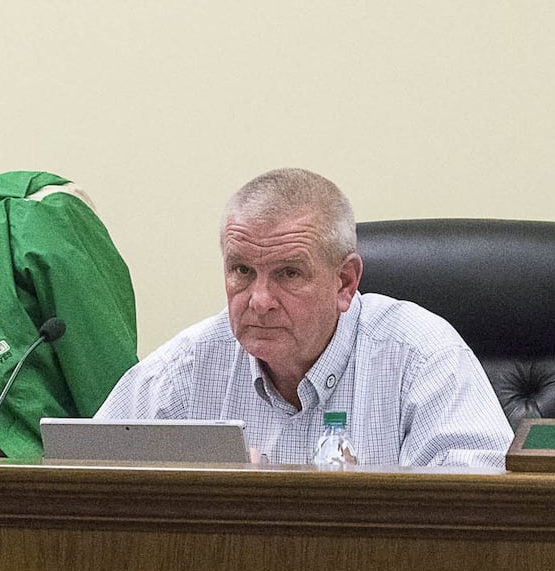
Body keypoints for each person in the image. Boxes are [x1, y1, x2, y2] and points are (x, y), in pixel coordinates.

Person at [96, 168, 513, 467]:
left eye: (288, 274)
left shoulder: (422, 358)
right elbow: (85, 480)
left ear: (345, 282)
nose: (258, 300)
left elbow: (478, 515)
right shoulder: (184, 370)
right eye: (242, 271)